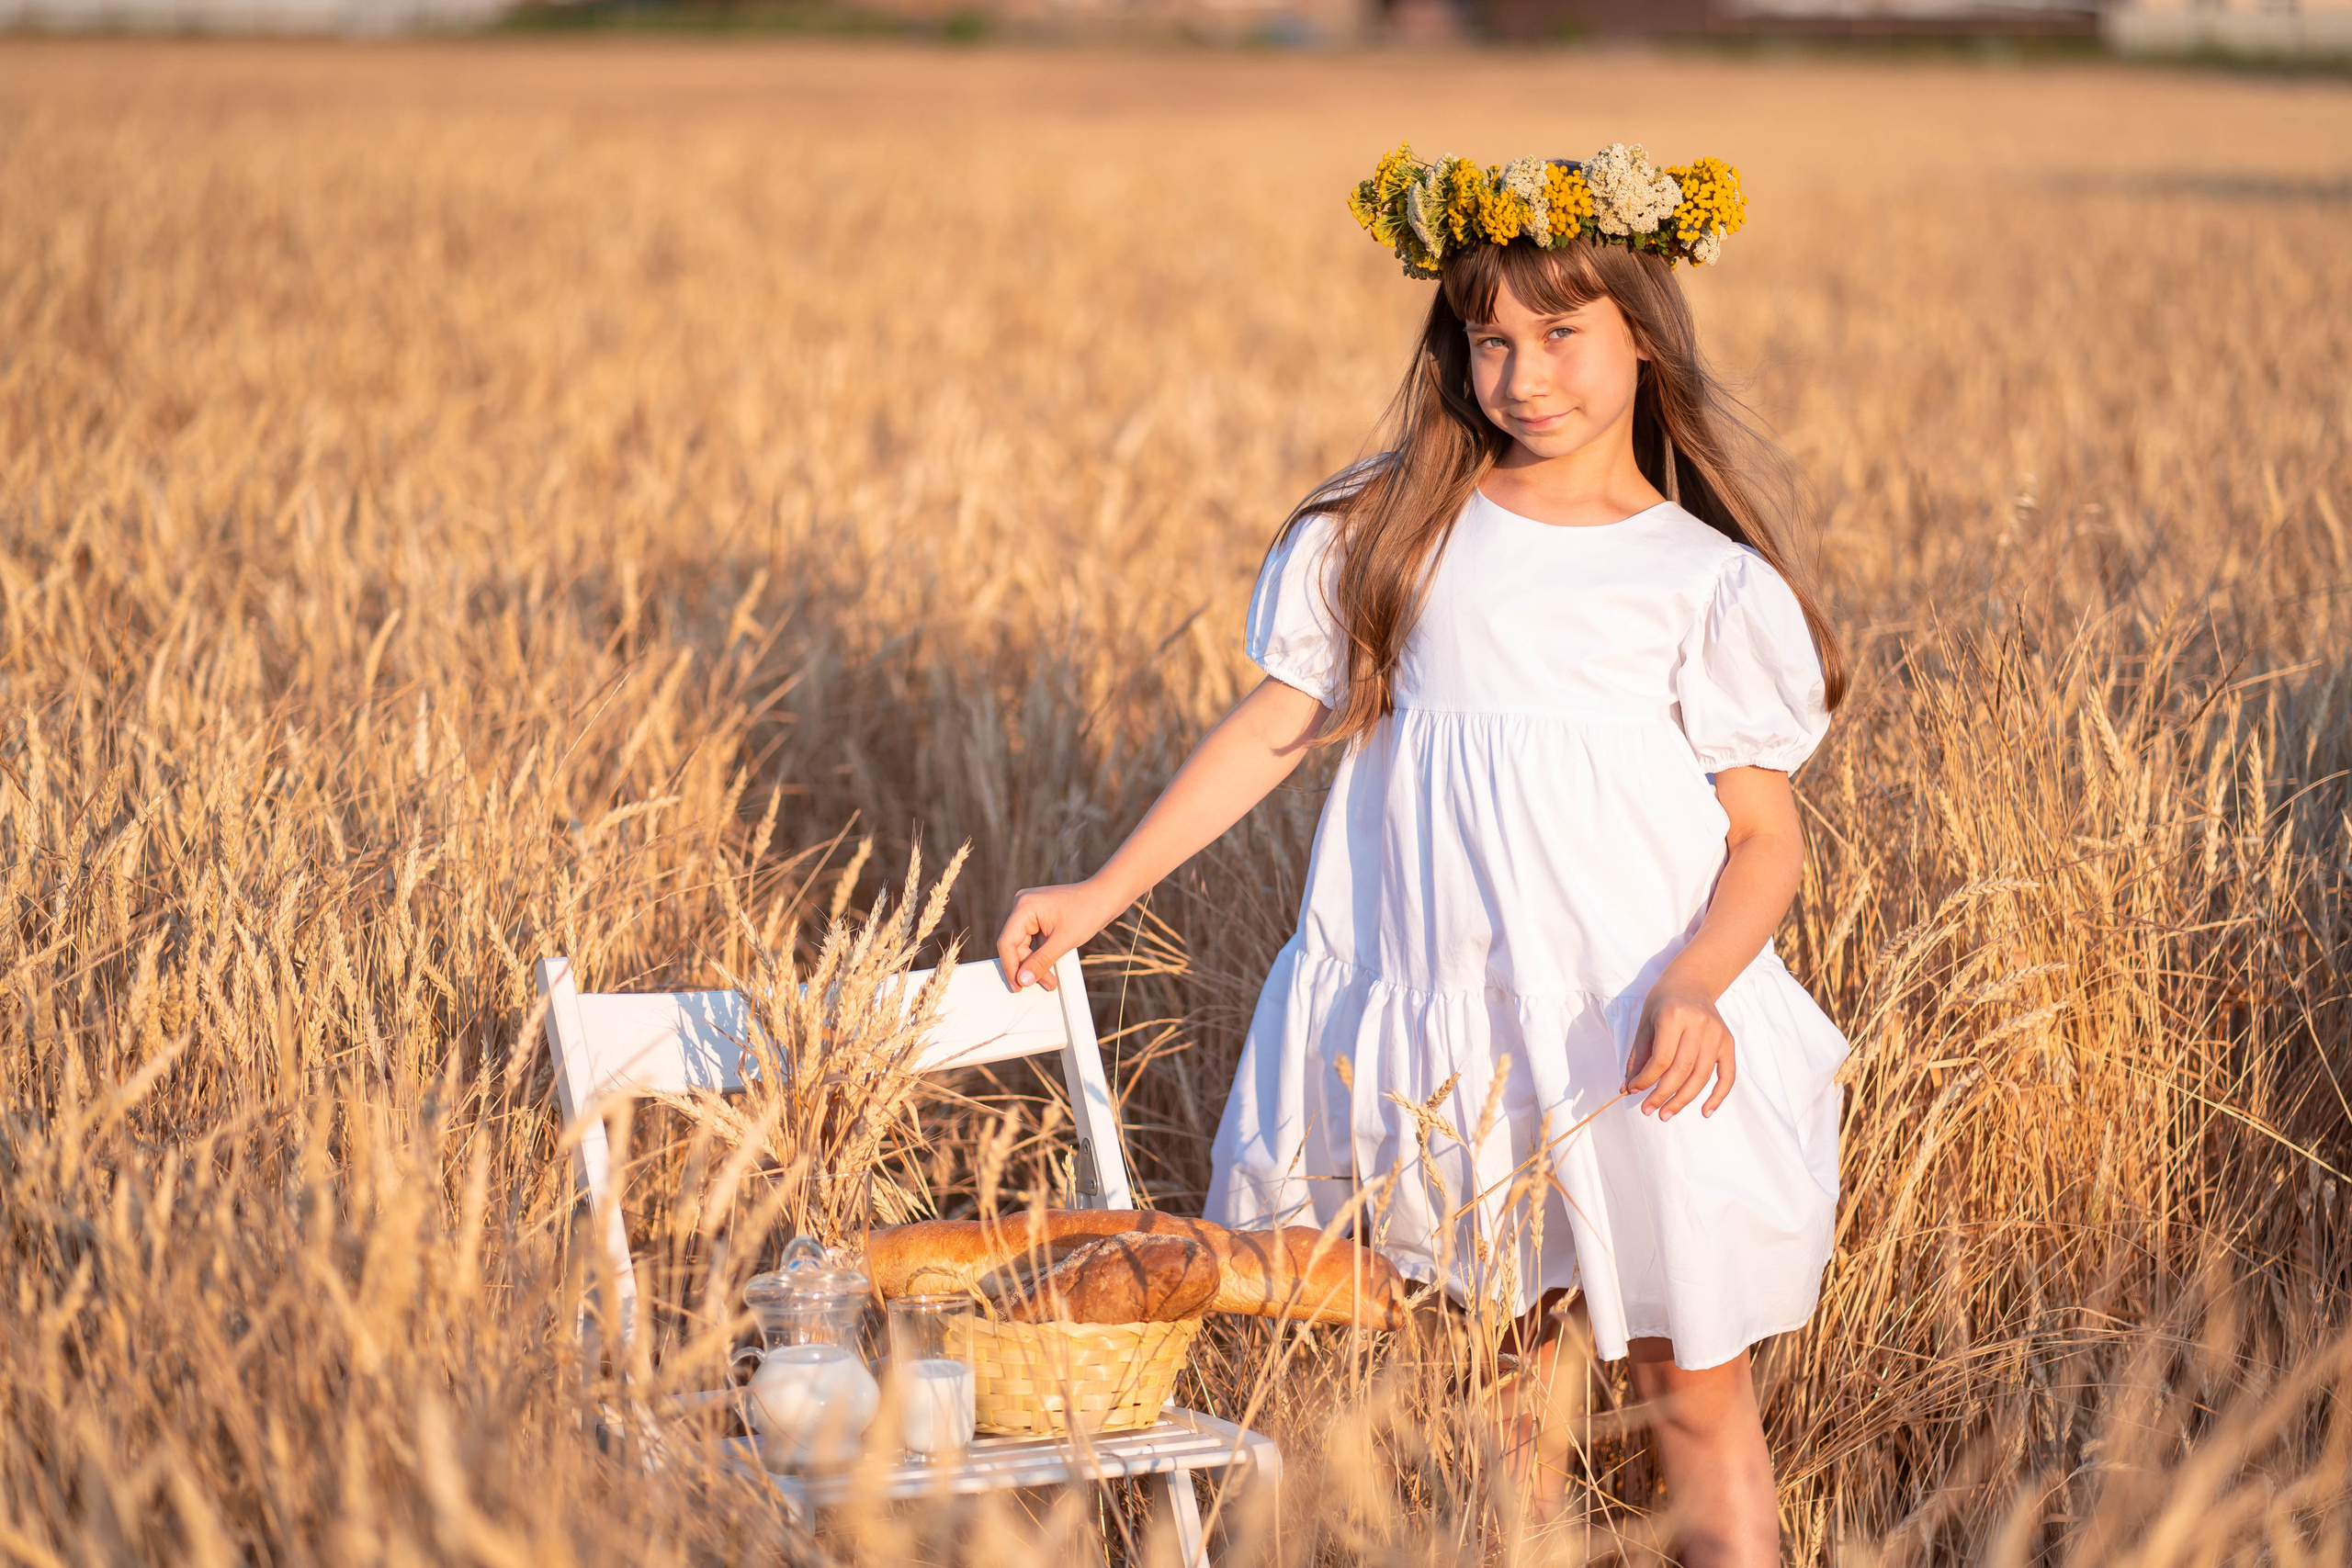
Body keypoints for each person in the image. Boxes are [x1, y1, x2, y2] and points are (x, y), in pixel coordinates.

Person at [995, 143, 1848, 1568]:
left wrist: (1700, 981)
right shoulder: (1398, 528)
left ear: (1644, 332)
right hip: (1457, 1033)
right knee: (1503, 1393)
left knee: (1691, 1392)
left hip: (1636, 1027)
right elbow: (1274, 730)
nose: (1524, 375)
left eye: (1562, 334)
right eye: (1489, 338)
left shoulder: (1704, 581)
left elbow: (1766, 839)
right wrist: (1096, 893)